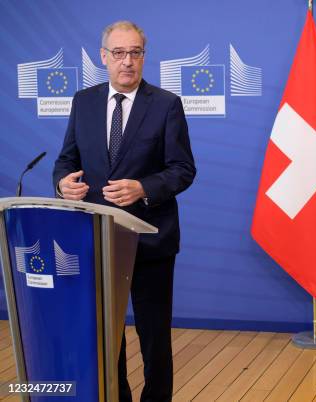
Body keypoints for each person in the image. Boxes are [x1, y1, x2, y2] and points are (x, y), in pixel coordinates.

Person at [53, 21, 196, 402]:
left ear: (144, 57)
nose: (127, 61)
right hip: (97, 241)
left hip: (150, 240)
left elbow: (183, 170)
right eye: (119, 53)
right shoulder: (83, 102)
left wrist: (144, 188)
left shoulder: (166, 104)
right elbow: (66, 161)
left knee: (153, 337)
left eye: (135, 53)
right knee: (106, 334)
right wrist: (63, 184)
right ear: (104, 57)